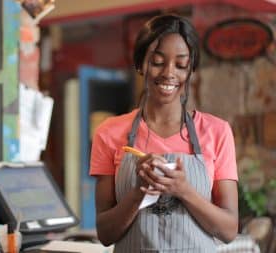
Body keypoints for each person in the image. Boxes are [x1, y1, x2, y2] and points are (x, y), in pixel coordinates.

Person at [89, 14, 238, 252]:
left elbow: (229, 230)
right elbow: (105, 234)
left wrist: (184, 190)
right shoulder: (109, 132)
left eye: (181, 65)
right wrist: (139, 192)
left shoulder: (217, 132)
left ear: (191, 70)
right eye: (157, 62)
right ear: (140, 64)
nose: (169, 73)